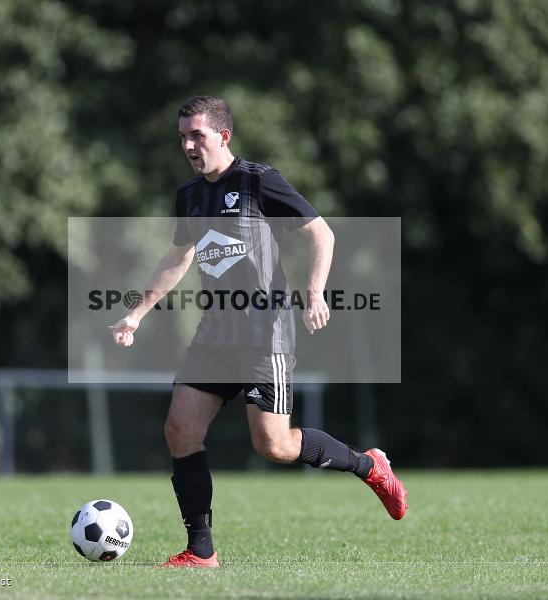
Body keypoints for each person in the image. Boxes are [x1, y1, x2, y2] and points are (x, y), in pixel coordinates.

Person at [108, 96, 407, 568]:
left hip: (264, 334)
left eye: (197, 135)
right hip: (214, 334)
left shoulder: (257, 182)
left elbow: (321, 233)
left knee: (273, 445)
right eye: (182, 136)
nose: (188, 144)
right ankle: (201, 551)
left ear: (224, 136)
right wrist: (138, 312)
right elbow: (178, 257)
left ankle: (370, 467)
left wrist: (315, 292)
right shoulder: (190, 194)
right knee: (180, 429)